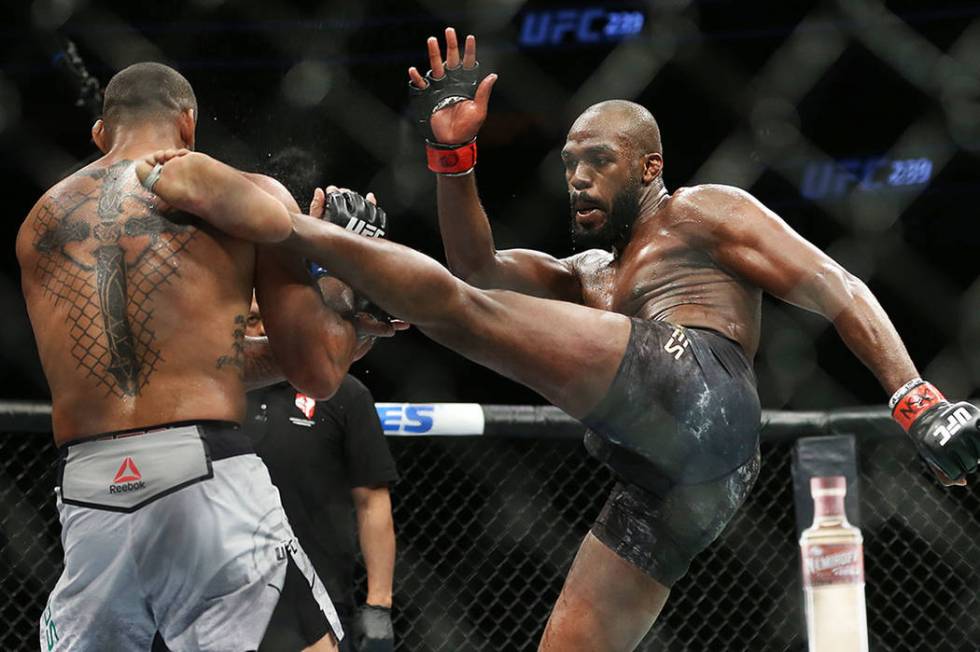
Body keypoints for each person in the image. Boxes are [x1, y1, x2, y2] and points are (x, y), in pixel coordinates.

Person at [136, 34, 980, 648]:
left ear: (648, 167)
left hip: (704, 388)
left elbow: (840, 286)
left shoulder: (700, 213)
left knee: (455, 311)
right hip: (678, 482)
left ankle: (293, 234)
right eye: (571, 161)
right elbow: (478, 266)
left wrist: (916, 399)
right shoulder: (583, 276)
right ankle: (348, 290)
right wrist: (453, 154)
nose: (578, 175)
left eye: (600, 160)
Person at [16, 62, 395, 651]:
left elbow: (192, 363)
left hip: (89, 494)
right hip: (205, 479)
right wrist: (343, 302)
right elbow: (315, 372)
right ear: (188, 126)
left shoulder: (40, 221)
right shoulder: (244, 198)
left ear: (100, 133)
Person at [245, 297, 398, 652]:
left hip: (320, 596)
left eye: (272, 318)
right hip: (224, 593)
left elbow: (372, 501)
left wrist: (379, 604)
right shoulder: (213, 395)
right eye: (253, 320)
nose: (265, 330)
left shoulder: (342, 391)